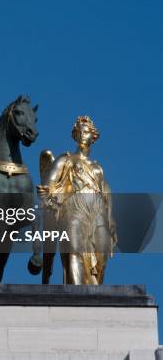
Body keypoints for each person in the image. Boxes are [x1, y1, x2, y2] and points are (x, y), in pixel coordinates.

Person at [37, 116, 116, 284]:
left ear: (93, 137)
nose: (82, 134)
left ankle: (95, 298)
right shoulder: (65, 159)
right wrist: (46, 195)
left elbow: (107, 196)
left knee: (101, 258)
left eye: (86, 132)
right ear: (75, 135)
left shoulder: (97, 168)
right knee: (74, 250)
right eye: (79, 132)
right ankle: (77, 296)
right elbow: (48, 184)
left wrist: (111, 220)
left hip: (97, 212)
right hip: (73, 209)